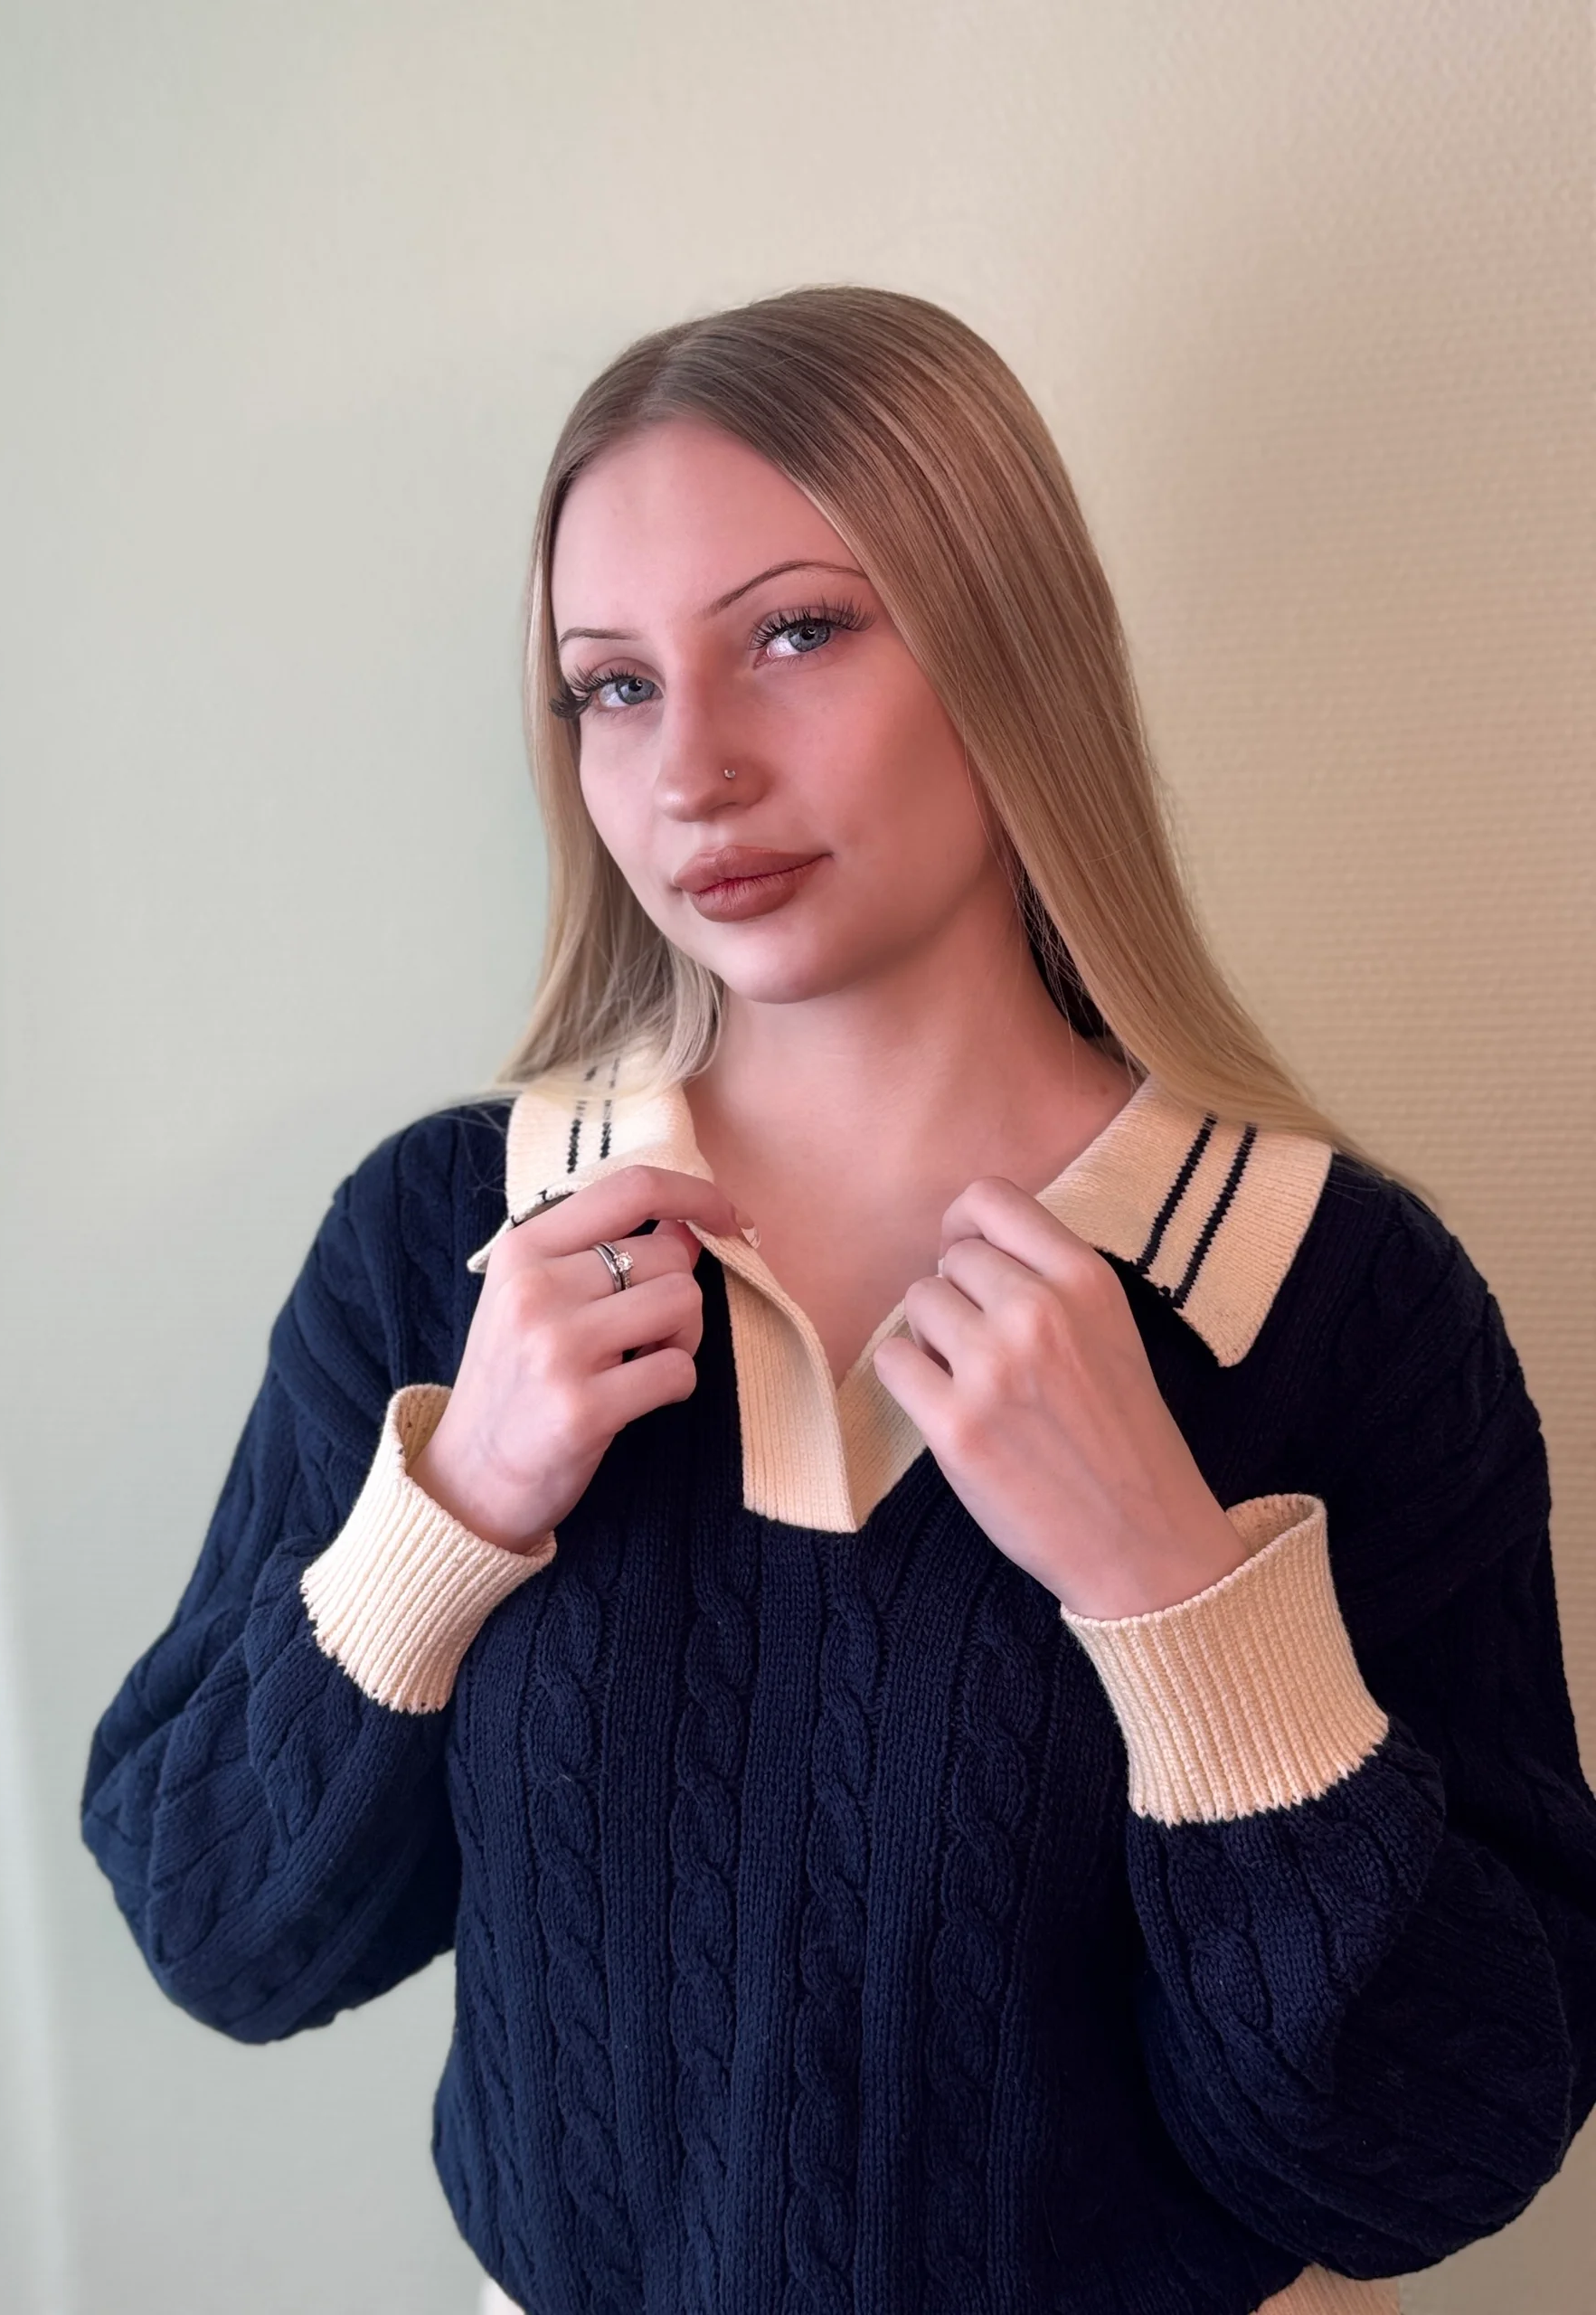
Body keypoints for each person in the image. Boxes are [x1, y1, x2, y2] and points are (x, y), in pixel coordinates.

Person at [80, 284, 1596, 2315]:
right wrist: (452, 1517)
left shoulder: (1326, 1297)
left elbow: (1448, 2142)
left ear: (1006, 645)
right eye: (613, 686)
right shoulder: (448, 1240)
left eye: (796, 633)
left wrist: (1173, 1591)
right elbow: (217, 1932)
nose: (692, 769)